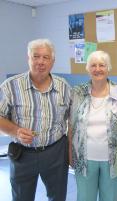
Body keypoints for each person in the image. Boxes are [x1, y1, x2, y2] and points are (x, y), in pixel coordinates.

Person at [0, 39, 70, 201]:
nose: (40, 62)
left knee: (58, 196)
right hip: (23, 154)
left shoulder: (64, 87)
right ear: (28, 58)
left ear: (52, 61)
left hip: (56, 152)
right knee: (21, 197)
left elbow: (71, 120)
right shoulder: (10, 86)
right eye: (36, 56)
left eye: (46, 57)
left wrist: (70, 151)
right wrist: (15, 131)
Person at [69, 50, 117, 201]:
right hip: (83, 159)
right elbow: (71, 125)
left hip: (115, 159)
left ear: (108, 67)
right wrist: (69, 152)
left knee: (110, 198)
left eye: (102, 65)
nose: (97, 69)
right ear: (88, 69)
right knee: (84, 197)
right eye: (93, 65)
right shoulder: (77, 93)